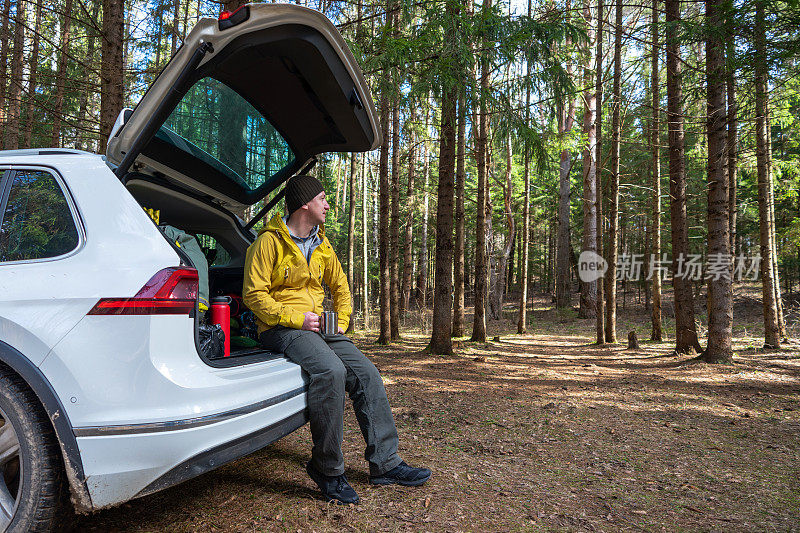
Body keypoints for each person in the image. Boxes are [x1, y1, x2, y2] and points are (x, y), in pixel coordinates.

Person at [242, 174, 430, 505]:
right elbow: (253, 296)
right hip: (280, 327)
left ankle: (385, 464)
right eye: (323, 199)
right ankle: (327, 469)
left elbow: (341, 287)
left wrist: (340, 322)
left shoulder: (322, 245)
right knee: (332, 371)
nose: (328, 205)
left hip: (320, 327)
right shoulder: (268, 243)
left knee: (367, 373)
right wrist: (296, 318)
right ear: (305, 204)